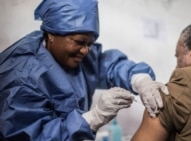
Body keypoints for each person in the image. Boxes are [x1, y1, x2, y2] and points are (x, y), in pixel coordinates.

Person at [0, 0, 168, 140]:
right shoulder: (22, 77)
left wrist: (140, 79)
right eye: (79, 42)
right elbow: (29, 136)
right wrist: (92, 118)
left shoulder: (78, 56)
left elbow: (109, 64)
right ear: (51, 34)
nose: (86, 51)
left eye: (90, 43)